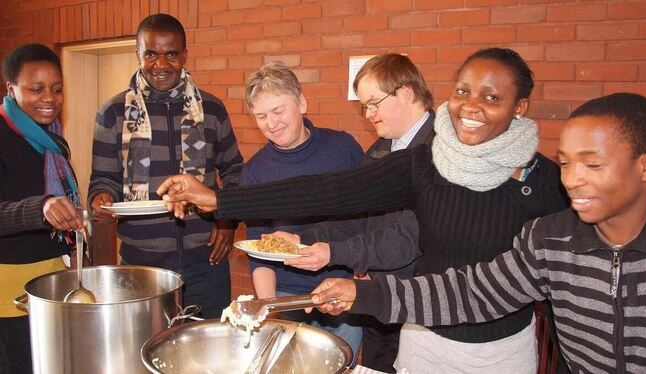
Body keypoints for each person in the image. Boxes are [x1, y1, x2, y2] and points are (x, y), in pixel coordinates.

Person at [158, 48, 569, 373]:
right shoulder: (424, 164)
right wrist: (220, 199)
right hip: (422, 335)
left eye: (492, 96)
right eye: (462, 91)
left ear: (519, 107)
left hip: (499, 352)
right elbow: (329, 193)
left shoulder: (546, 182)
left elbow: (561, 289)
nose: (471, 105)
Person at [308, 92, 646, 373]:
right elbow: (471, 291)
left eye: (592, 164)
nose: (572, 180)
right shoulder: (550, 240)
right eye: (565, 163)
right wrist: (365, 293)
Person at [277, 53, 435, 373]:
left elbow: (408, 237)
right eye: (365, 106)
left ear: (405, 92)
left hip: (423, 305)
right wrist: (303, 239)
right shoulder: (380, 149)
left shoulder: (440, 151)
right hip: (377, 297)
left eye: (374, 103)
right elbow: (356, 216)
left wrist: (336, 253)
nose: (369, 114)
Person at [88, 14, 243, 318]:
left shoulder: (212, 109)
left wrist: (229, 220)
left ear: (184, 55)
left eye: (171, 54)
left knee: (207, 355)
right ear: (138, 55)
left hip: (207, 262)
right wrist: (100, 198)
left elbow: (235, 170)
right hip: (140, 265)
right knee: (142, 354)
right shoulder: (112, 113)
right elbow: (103, 178)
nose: (161, 65)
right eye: (151, 54)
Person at [240, 60, 364, 359]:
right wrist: (270, 306)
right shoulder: (255, 172)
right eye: (261, 116)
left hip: (342, 290)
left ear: (302, 103)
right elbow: (258, 250)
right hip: (288, 296)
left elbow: (369, 219)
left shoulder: (343, 147)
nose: (271, 123)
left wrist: (361, 278)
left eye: (278, 111)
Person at [0, 44, 85, 374]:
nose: (49, 98)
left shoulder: (52, 139)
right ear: (11, 88)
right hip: (7, 288)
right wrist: (42, 206)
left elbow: (66, 199)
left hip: (49, 279)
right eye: (36, 89)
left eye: (57, 89)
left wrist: (74, 244)